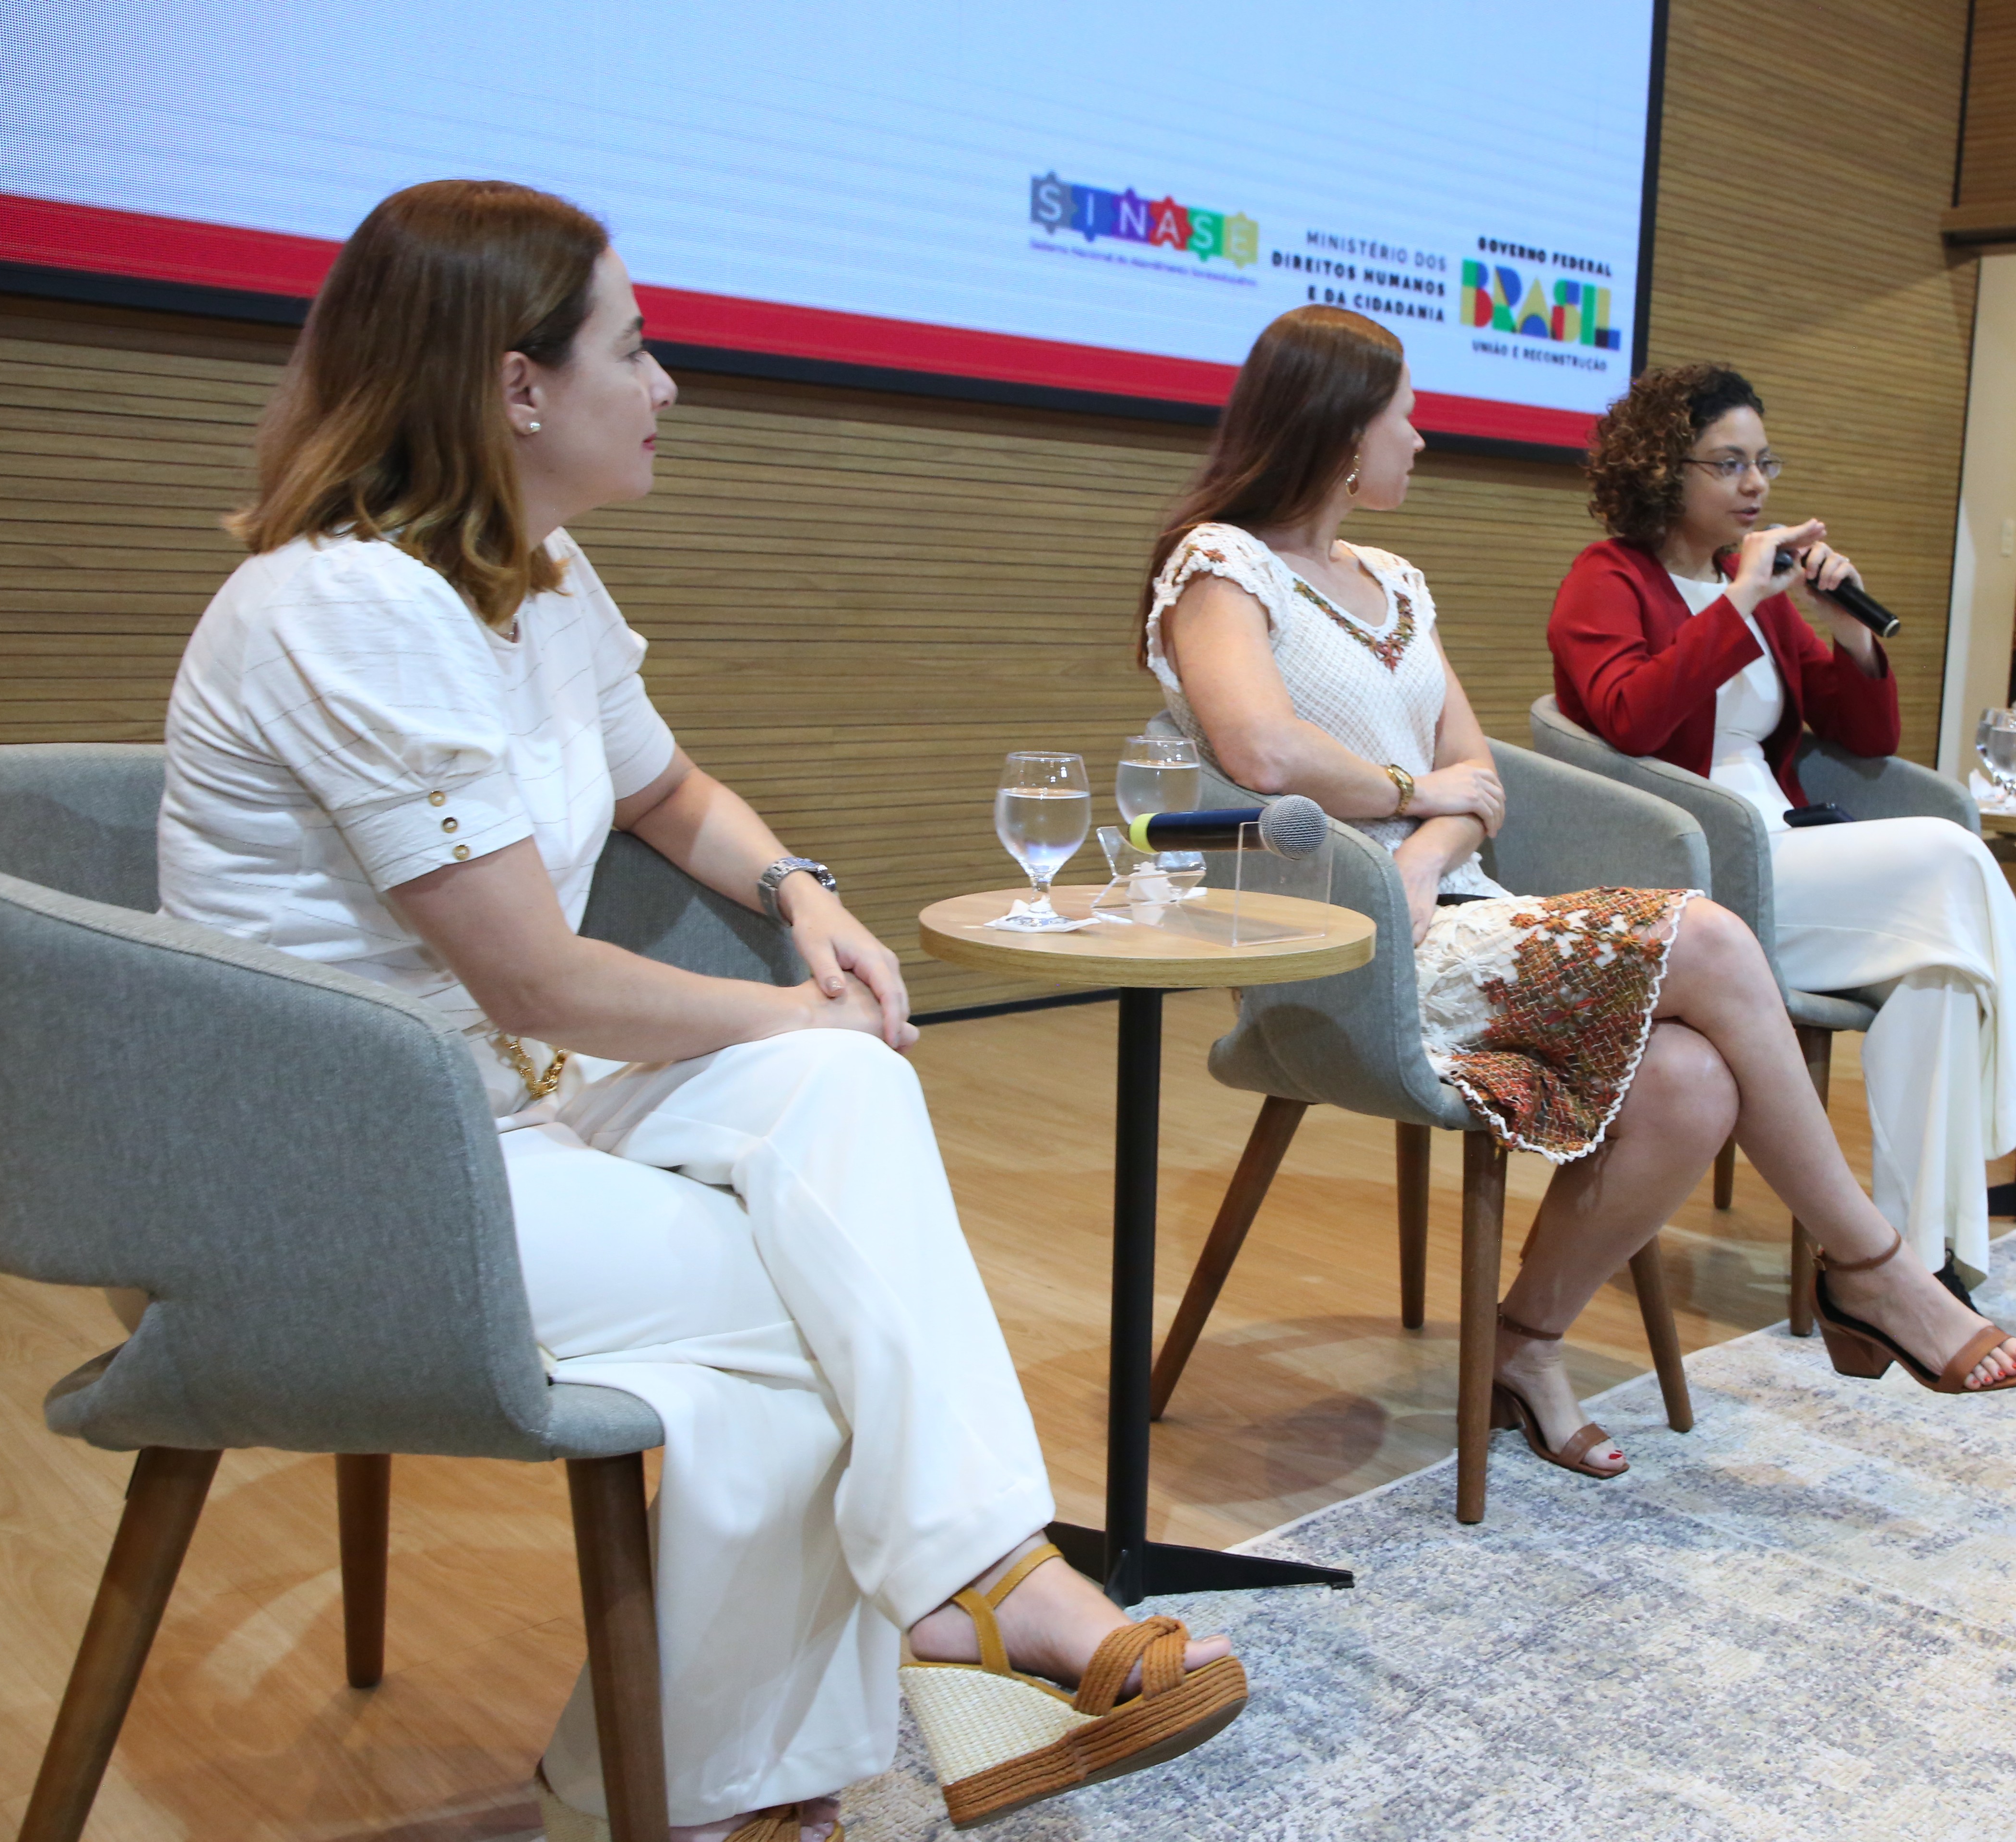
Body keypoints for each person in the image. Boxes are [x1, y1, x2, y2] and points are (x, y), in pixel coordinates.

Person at [155, 180, 1245, 1839]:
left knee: (853, 1099)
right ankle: (898, 1649)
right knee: (814, 1311)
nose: (666, 385)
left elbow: (666, 794)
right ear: (519, 385)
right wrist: (790, 1016)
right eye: (636, 348)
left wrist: (804, 897)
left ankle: (869, 1668)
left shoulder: (536, 574)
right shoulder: (351, 608)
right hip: (347, 1170)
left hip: (511, 1101)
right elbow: (533, 973)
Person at [1142, 307, 2016, 1471]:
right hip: (1335, 945)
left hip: (1450, 908)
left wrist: (1423, 847)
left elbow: (1480, 779)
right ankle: (1873, 1270)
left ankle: (1524, 1342)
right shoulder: (1220, 566)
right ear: (1341, 428)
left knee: (1694, 1081)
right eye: (1406, 415)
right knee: (1710, 938)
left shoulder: (1396, 580)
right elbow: (1263, 751)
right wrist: (1418, 798)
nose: (1421, 437)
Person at [1547, 365, 2016, 1281]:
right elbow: (1629, 719)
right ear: (1662, 469)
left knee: (1943, 978)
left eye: (1765, 462)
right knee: (1950, 854)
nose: (1756, 484)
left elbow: (1867, 736)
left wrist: (1845, 629)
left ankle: (1915, 1269)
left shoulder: (1751, 589)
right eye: (1729, 465)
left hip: (1790, 853)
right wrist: (1739, 605)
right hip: (1698, 874)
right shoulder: (1609, 579)